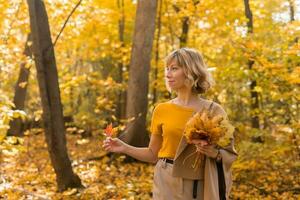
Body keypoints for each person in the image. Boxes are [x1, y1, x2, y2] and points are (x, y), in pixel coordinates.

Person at [103, 48, 238, 200]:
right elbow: (153, 154)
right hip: (166, 179)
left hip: (200, 182)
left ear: (191, 71)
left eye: (174, 68)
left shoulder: (214, 110)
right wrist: (124, 147)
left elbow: (230, 154)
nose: (167, 74)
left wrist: (214, 153)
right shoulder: (162, 109)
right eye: (167, 69)